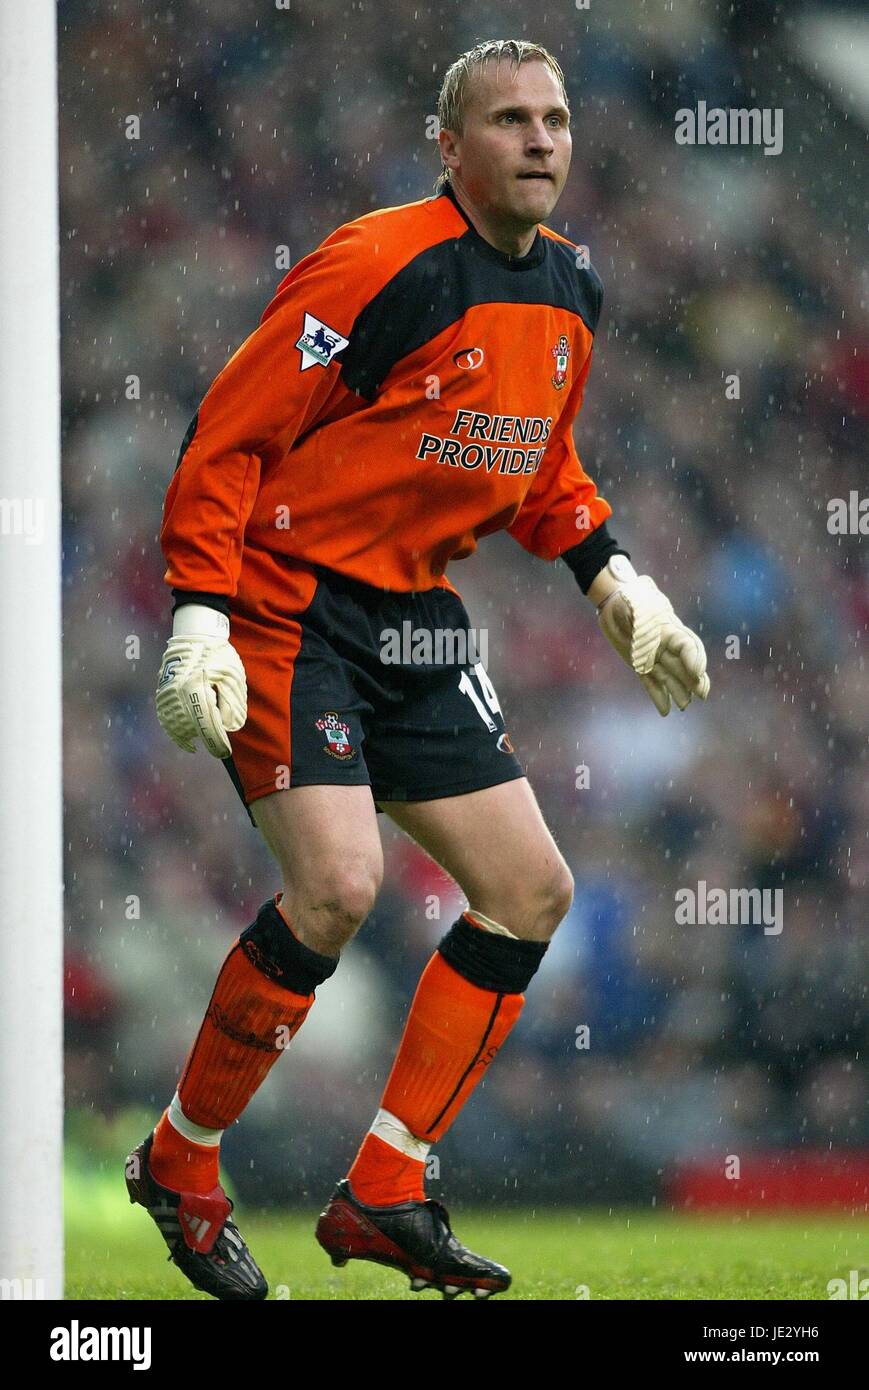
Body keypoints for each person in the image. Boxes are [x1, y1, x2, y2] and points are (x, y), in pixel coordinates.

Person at [126, 37, 710, 1301]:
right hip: (289, 601)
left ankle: (384, 1186)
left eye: (554, 117)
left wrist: (621, 587)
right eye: (507, 120)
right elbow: (230, 433)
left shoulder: (571, 292)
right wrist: (199, 613)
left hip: (413, 620)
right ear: (449, 147)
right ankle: (182, 1162)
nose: (541, 139)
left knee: (530, 891)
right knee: (338, 887)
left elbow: (538, 468)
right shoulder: (375, 262)